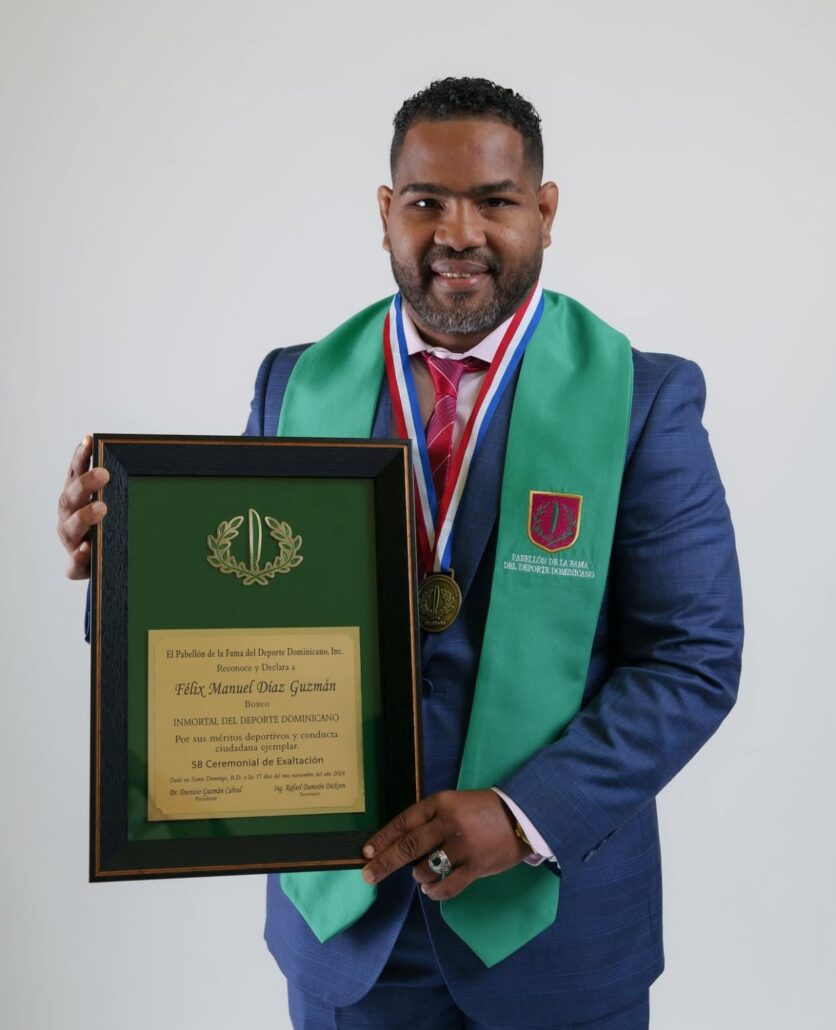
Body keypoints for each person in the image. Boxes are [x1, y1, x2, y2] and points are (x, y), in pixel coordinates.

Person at [58, 78, 743, 1030]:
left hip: (557, 937)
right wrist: (124, 565)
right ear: (387, 213)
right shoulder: (296, 384)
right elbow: (234, 616)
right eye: (426, 202)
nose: (457, 232)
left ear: (544, 211)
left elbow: (693, 659)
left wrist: (520, 814)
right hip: (348, 929)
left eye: (495, 201)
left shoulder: (642, 400)